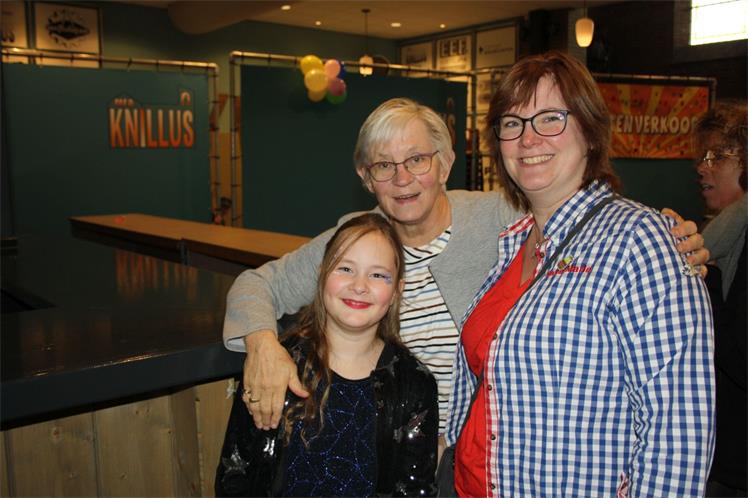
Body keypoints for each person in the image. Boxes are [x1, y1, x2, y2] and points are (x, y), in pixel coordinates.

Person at [222, 98, 709, 449]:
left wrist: (671, 235)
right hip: (384, 453)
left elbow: (590, 223)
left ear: (445, 163)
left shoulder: (503, 216)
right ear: (366, 178)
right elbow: (255, 283)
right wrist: (263, 345)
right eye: (384, 166)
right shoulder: (356, 240)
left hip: (489, 452)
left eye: (417, 159)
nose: (402, 178)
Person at [447, 51, 715, 497]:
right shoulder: (512, 243)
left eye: (550, 118)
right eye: (512, 123)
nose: (528, 138)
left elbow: (677, 430)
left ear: (590, 132)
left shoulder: (639, 241)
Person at [215, 213, 438, 497]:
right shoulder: (275, 369)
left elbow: (415, 489)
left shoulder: (415, 385)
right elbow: (235, 477)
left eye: (378, 275)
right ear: (321, 275)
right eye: (345, 269)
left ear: (397, 290)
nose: (359, 285)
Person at [694, 102, 747, 497]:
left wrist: (705, 281)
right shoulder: (723, 238)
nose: (702, 167)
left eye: (717, 156)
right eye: (702, 156)